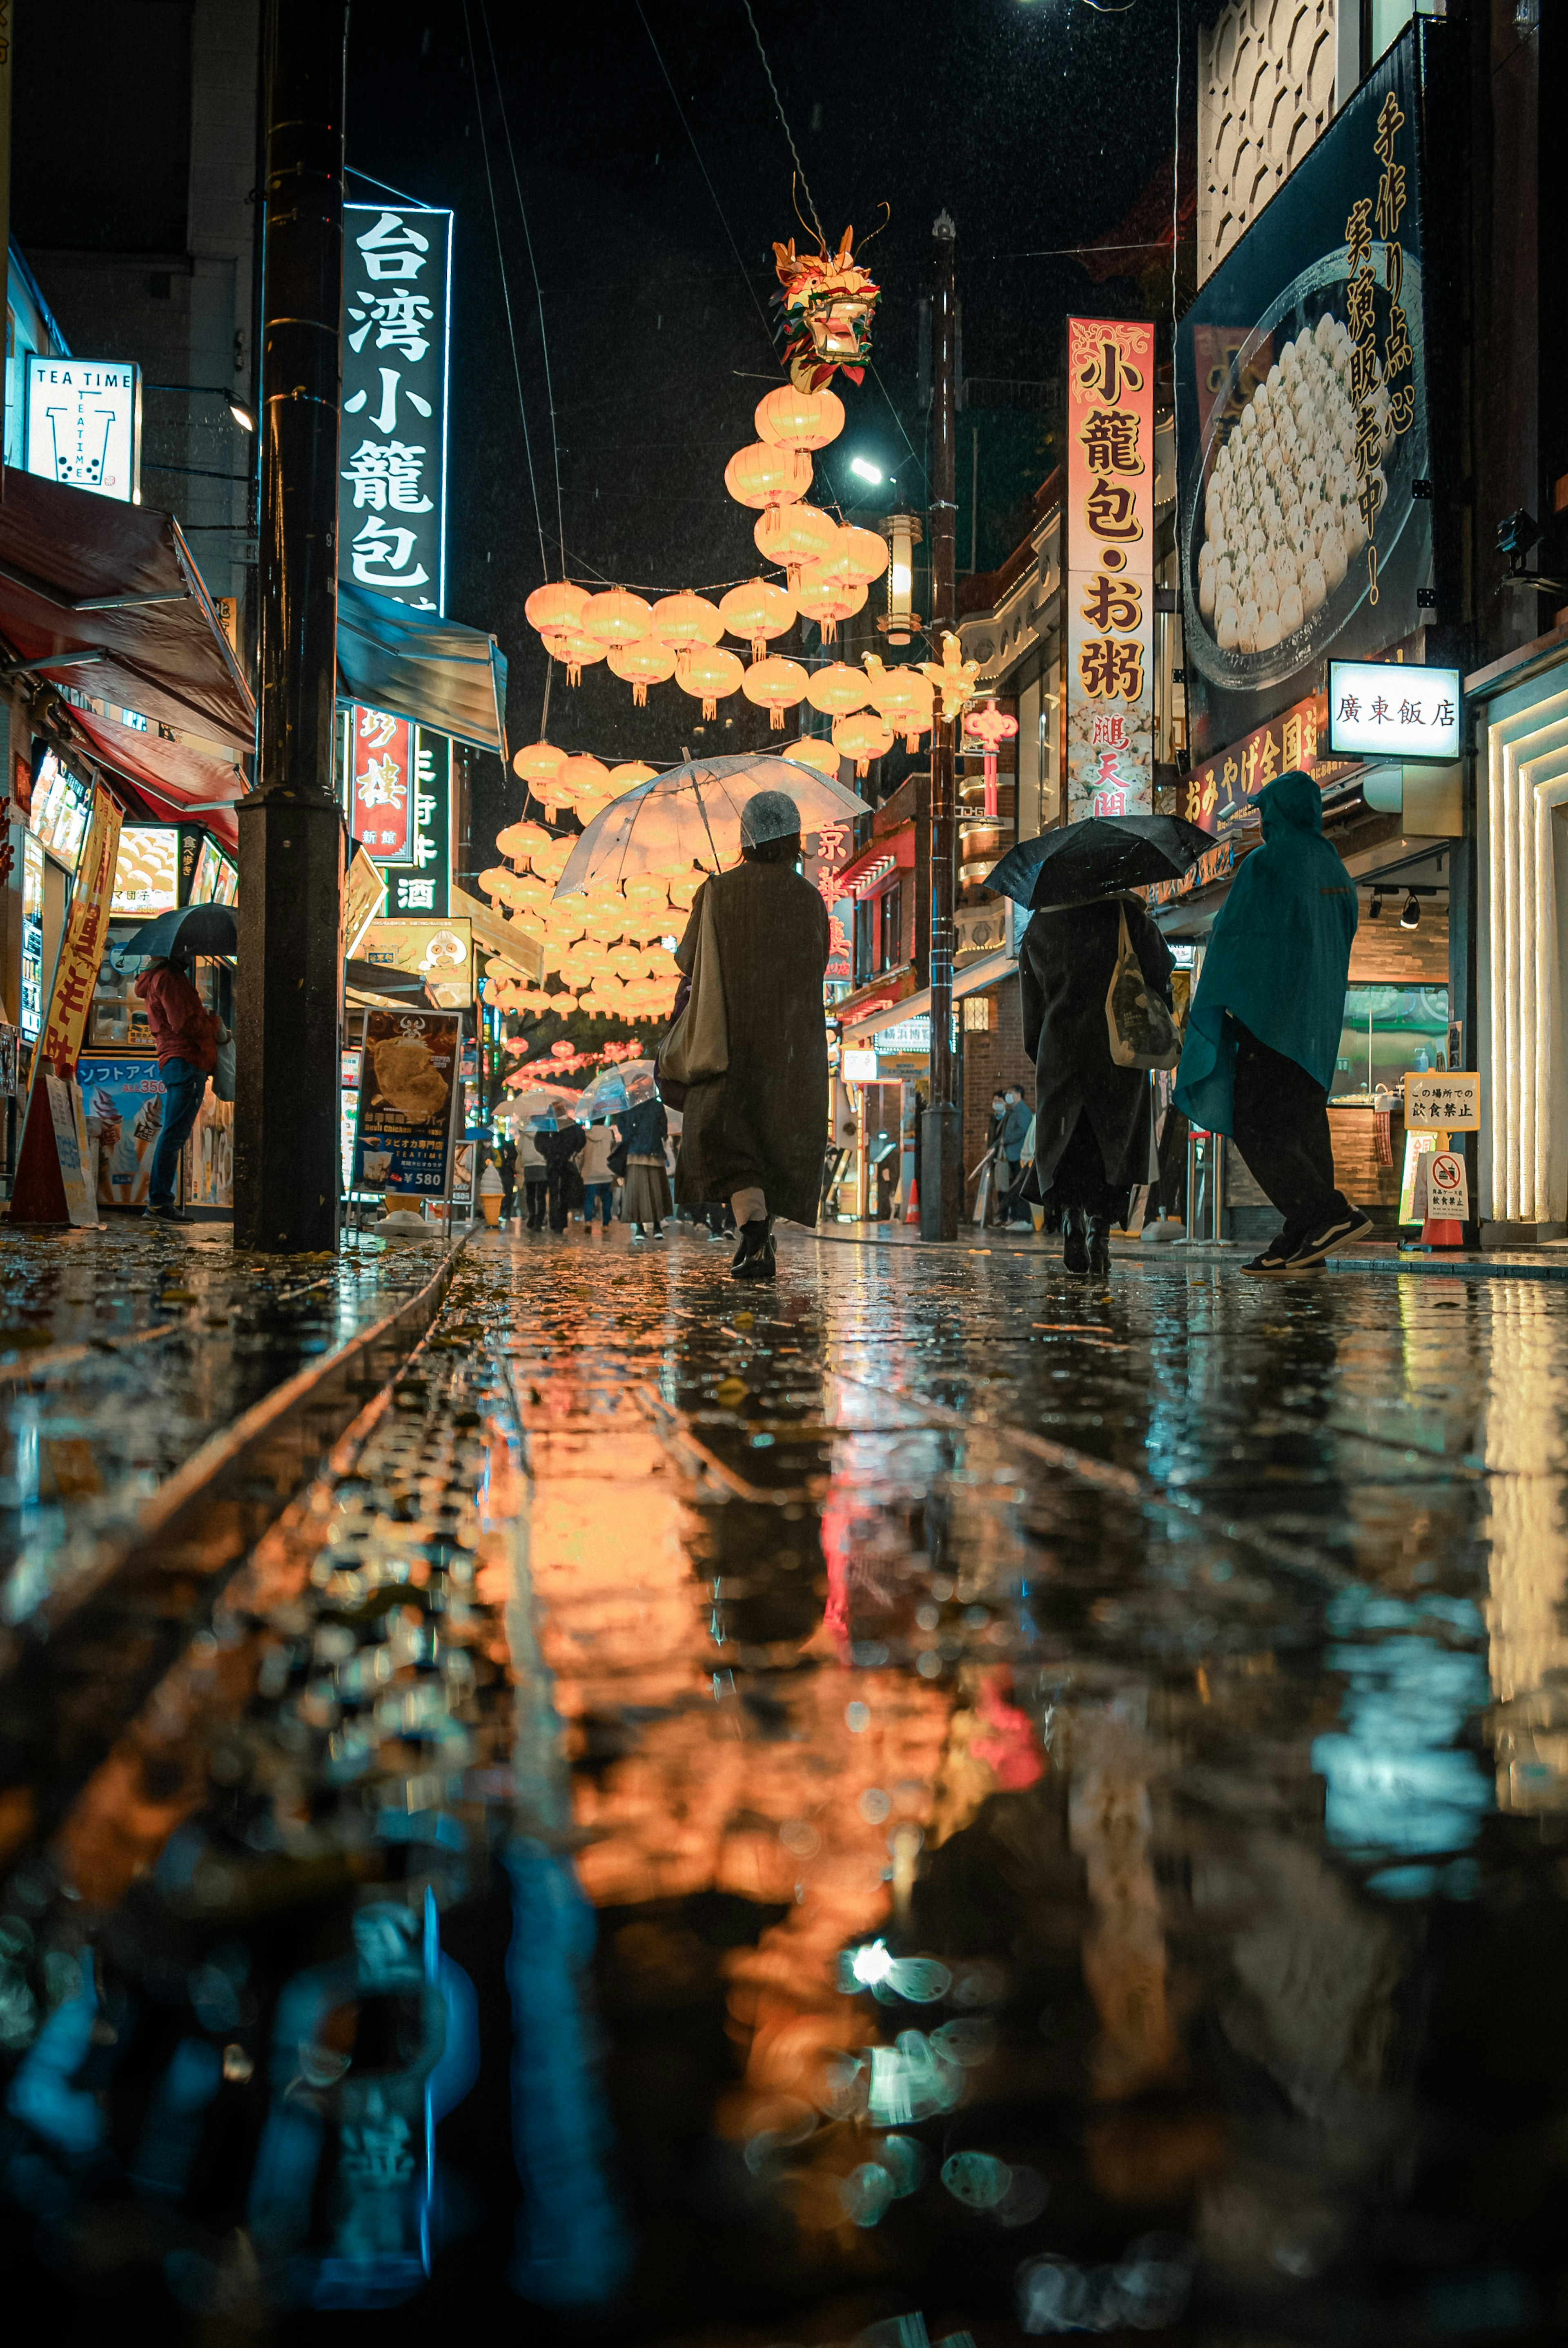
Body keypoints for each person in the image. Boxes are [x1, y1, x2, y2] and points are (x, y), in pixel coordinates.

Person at [1175, 767, 1368, 1275]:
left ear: (1278, 814)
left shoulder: (1268, 865)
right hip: (1316, 1032)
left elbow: (1234, 940)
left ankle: (1327, 1213)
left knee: (1256, 1125)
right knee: (1303, 1128)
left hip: (1269, 1024)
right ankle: (1303, 1236)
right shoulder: (1335, 870)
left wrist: (1225, 1006)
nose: (1260, 822)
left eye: (1264, 812)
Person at [671, 789, 830, 1282]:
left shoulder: (718, 891)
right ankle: (760, 1231)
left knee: (729, 1142)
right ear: (793, 840)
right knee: (775, 1142)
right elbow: (817, 964)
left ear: (745, 838)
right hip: (791, 1044)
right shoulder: (809, 900)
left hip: (730, 1038)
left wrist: (721, 904)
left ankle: (755, 1230)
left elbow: (687, 960)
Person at [1019, 894, 1174, 1279]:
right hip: (1116, 1050)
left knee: (1068, 1141)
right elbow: (1159, 972)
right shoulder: (1125, 914)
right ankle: (1100, 1233)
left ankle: (1071, 1216)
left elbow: (1031, 1015)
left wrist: (1048, 1056)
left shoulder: (1040, 927)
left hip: (1061, 1053)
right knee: (1113, 1146)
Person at [131, 953, 221, 1224]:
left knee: (172, 1135)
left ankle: (159, 1202)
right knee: (173, 1136)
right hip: (186, 1060)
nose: (189, 955)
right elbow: (184, 1023)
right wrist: (212, 1023)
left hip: (178, 1061)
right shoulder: (169, 979)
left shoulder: (160, 978)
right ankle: (159, 1203)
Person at [615, 1090, 670, 1238]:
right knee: (655, 1191)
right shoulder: (656, 1106)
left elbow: (623, 1129)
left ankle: (640, 1228)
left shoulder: (628, 1108)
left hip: (635, 1154)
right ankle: (657, 1227)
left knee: (636, 1192)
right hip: (654, 1154)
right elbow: (663, 1130)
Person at [533, 1108, 586, 1233]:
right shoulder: (571, 1125)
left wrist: (548, 1153)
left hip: (553, 1162)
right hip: (566, 1162)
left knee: (554, 1192)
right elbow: (582, 1139)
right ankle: (561, 1222)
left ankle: (555, 1221)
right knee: (564, 1192)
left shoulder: (549, 1126)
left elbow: (539, 1142)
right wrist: (573, 1152)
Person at [997, 1084, 1032, 1226]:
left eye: (1011, 1093)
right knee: (1014, 1187)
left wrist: (1007, 1139)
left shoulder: (1022, 1110)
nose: (1008, 1096)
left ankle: (1022, 1219)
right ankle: (1015, 1217)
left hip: (1018, 1154)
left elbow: (1022, 1130)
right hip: (1012, 1154)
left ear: (1019, 1094)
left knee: (1019, 1188)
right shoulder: (1013, 1111)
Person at [580, 1116, 617, 1231]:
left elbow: (581, 1154)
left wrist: (580, 1167)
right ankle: (606, 1224)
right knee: (606, 1200)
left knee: (589, 1199)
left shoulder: (586, 1135)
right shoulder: (609, 1134)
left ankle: (588, 1222)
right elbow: (613, 1152)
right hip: (606, 1172)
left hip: (590, 1173)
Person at [520, 1122, 548, 1229]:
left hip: (529, 1166)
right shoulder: (544, 1130)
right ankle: (539, 1220)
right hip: (542, 1165)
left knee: (530, 1194)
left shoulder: (525, 1131)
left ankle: (532, 1215)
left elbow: (520, 1147)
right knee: (541, 1196)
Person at [497, 1133, 519, 1225]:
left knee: (504, 1194)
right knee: (509, 1194)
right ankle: (508, 1214)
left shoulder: (500, 1149)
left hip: (503, 1174)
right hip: (509, 1174)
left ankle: (502, 1212)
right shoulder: (511, 1148)